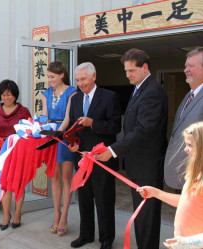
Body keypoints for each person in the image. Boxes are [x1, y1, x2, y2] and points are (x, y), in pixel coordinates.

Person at [96, 48, 168, 249]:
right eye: (125, 71)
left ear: (145, 68)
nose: (127, 75)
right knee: (141, 213)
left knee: (146, 215)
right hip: (137, 163)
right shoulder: (139, 88)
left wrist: (112, 150)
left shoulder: (153, 91)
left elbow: (143, 130)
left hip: (147, 164)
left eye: (131, 71)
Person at [69, 62, 121, 249]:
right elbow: (73, 128)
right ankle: (86, 235)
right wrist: (73, 143)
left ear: (94, 76)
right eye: (77, 80)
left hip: (102, 159)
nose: (80, 83)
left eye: (83, 79)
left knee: (104, 201)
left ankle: (106, 239)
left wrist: (93, 123)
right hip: (82, 158)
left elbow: (115, 126)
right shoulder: (75, 99)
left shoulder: (109, 97)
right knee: (84, 199)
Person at [137, 121, 203, 249]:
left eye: (190, 145)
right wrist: (156, 193)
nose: (185, 149)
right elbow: (186, 201)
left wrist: (186, 243)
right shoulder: (195, 173)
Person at [0, 79, 31, 230]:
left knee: (19, 184)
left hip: (20, 151)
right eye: (4, 95)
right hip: (3, 152)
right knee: (5, 185)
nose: (7, 98)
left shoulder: (23, 110)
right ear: (0, 95)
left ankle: (18, 213)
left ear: (15, 95)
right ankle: (7, 215)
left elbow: (29, 129)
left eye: (10, 95)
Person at [41, 60, 77, 236]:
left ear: (62, 75)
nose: (50, 80)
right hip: (51, 136)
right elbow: (44, 116)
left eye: (52, 77)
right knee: (54, 177)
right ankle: (56, 214)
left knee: (66, 177)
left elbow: (68, 118)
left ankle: (65, 216)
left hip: (64, 136)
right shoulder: (46, 94)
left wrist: (58, 134)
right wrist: (38, 128)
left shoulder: (72, 92)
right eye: (48, 77)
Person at [164, 47, 203, 192]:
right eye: (186, 66)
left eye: (191, 66)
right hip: (183, 175)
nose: (186, 70)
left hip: (198, 178)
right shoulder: (189, 95)